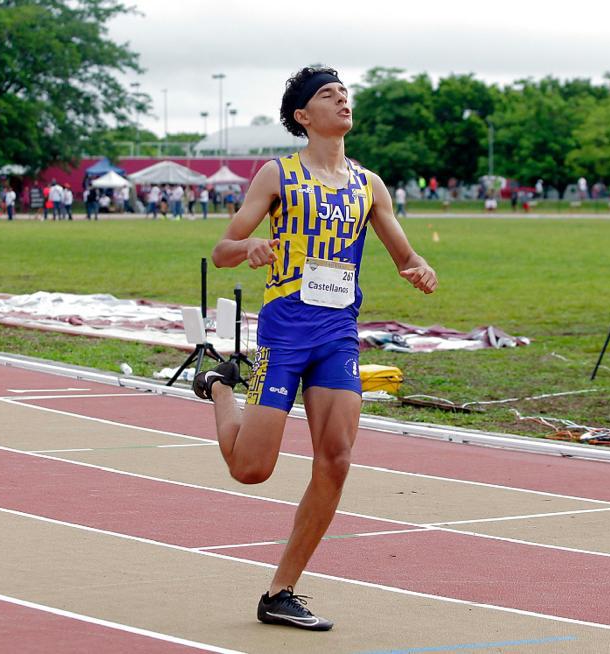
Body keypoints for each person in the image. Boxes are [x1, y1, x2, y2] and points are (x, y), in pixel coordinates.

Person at [194, 65, 436, 632]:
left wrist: (418, 267)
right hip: (284, 333)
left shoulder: (368, 184)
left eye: (345, 94)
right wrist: (251, 245)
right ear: (304, 117)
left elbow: (404, 255)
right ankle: (222, 386)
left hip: (336, 336)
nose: (342, 101)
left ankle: (282, 590)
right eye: (329, 96)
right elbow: (222, 249)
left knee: (337, 457)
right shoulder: (276, 176)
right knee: (251, 470)